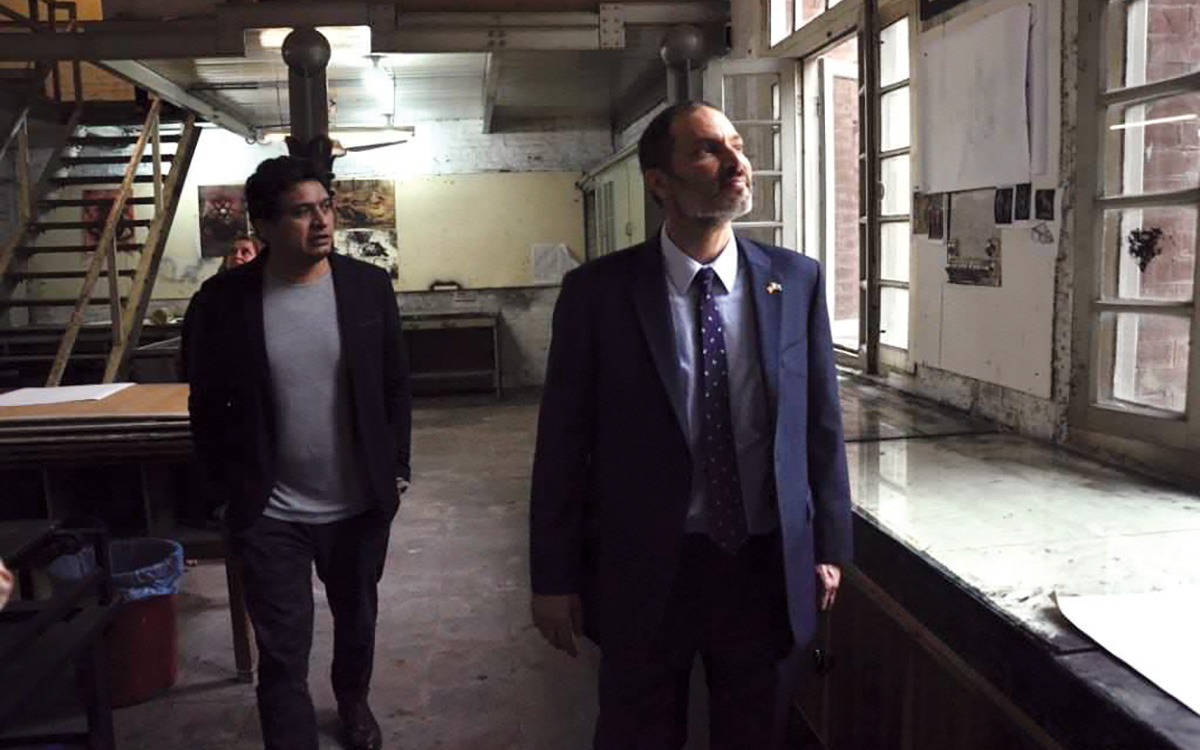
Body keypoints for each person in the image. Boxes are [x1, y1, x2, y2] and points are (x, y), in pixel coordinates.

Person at [529, 102, 853, 750]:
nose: (737, 162)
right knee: (637, 735)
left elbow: (820, 423)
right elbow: (563, 443)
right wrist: (553, 576)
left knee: (755, 733)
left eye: (737, 145)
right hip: (646, 566)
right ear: (660, 183)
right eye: (708, 150)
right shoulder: (599, 293)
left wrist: (828, 546)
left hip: (760, 564)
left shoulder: (795, 280)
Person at [182, 156, 411, 750]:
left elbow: (393, 386)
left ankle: (353, 701)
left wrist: (397, 469)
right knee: (282, 650)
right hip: (270, 512)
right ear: (263, 224)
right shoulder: (222, 302)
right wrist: (222, 495)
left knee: (357, 621)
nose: (322, 222)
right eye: (302, 212)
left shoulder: (367, 288)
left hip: (357, 505)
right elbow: (205, 404)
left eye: (326, 207)